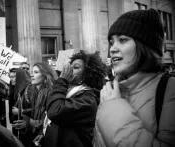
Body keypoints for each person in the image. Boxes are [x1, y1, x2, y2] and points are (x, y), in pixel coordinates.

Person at [96, 9, 175, 147]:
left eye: (122, 40)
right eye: (111, 42)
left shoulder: (170, 89)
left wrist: (113, 109)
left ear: (144, 46)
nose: (112, 48)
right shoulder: (110, 92)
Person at [43, 50, 107, 147]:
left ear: (87, 74)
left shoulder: (87, 100)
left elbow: (55, 111)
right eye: (70, 66)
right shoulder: (68, 90)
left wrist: (62, 80)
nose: (69, 69)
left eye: (76, 67)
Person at [12, 62, 58, 147]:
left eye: (36, 72)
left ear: (45, 75)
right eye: (32, 72)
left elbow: (49, 120)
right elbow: (32, 112)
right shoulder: (31, 90)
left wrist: (28, 122)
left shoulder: (51, 93)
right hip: (32, 135)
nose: (32, 75)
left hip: (44, 137)